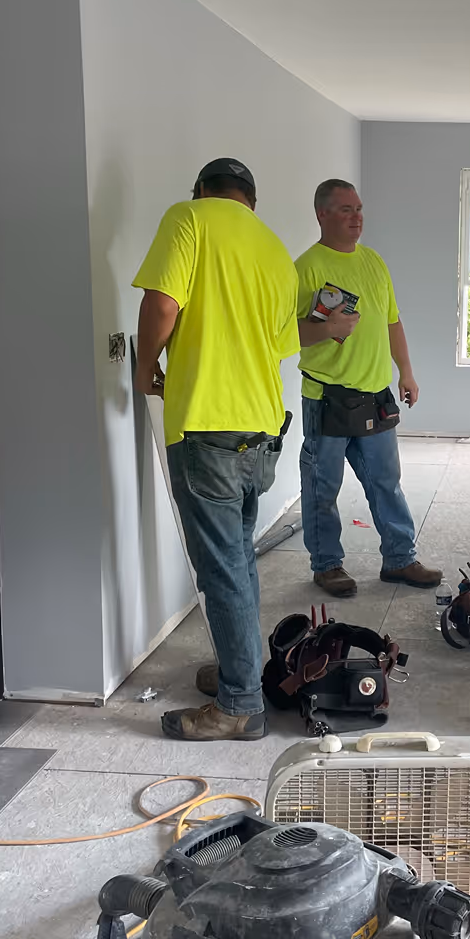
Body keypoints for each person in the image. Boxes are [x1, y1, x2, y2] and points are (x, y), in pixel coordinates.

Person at [133, 158, 299, 741]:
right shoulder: (276, 250)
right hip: (261, 427)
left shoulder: (190, 218)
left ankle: (240, 706)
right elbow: (282, 341)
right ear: (251, 200)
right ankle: (242, 670)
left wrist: (145, 364)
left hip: (208, 424)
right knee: (239, 560)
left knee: (223, 568)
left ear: (202, 191)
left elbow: (160, 306)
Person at [294, 180, 441, 598]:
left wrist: (406, 371)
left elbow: (392, 322)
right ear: (322, 214)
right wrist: (327, 328)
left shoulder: (374, 262)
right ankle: (327, 565)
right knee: (323, 487)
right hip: (328, 397)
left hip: (375, 396)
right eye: (345, 210)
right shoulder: (305, 268)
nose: (357, 217)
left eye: (359, 209)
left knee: (386, 482)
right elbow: (288, 333)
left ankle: (399, 559)